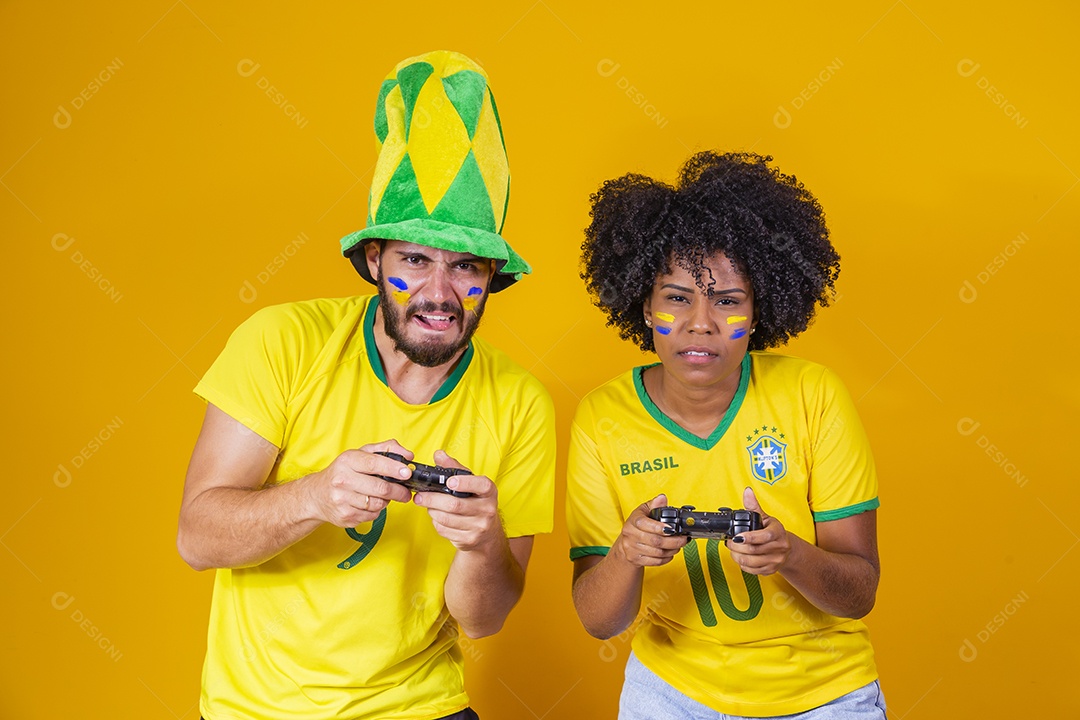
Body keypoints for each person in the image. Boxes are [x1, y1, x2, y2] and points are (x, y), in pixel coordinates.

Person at [177, 51, 555, 720]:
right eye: (415, 260)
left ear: (492, 275)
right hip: (258, 710)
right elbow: (197, 539)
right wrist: (315, 496)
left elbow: (486, 619)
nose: (440, 295)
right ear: (374, 259)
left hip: (422, 707)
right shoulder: (281, 341)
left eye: (466, 267)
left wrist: (480, 540)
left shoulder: (520, 401)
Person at [567, 151, 886, 718]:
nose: (701, 324)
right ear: (643, 304)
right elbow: (598, 621)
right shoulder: (602, 417)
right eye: (677, 297)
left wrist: (789, 554)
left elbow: (859, 593)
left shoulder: (813, 394)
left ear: (759, 310)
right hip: (670, 692)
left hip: (823, 693)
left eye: (728, 300)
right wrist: (628, 553)